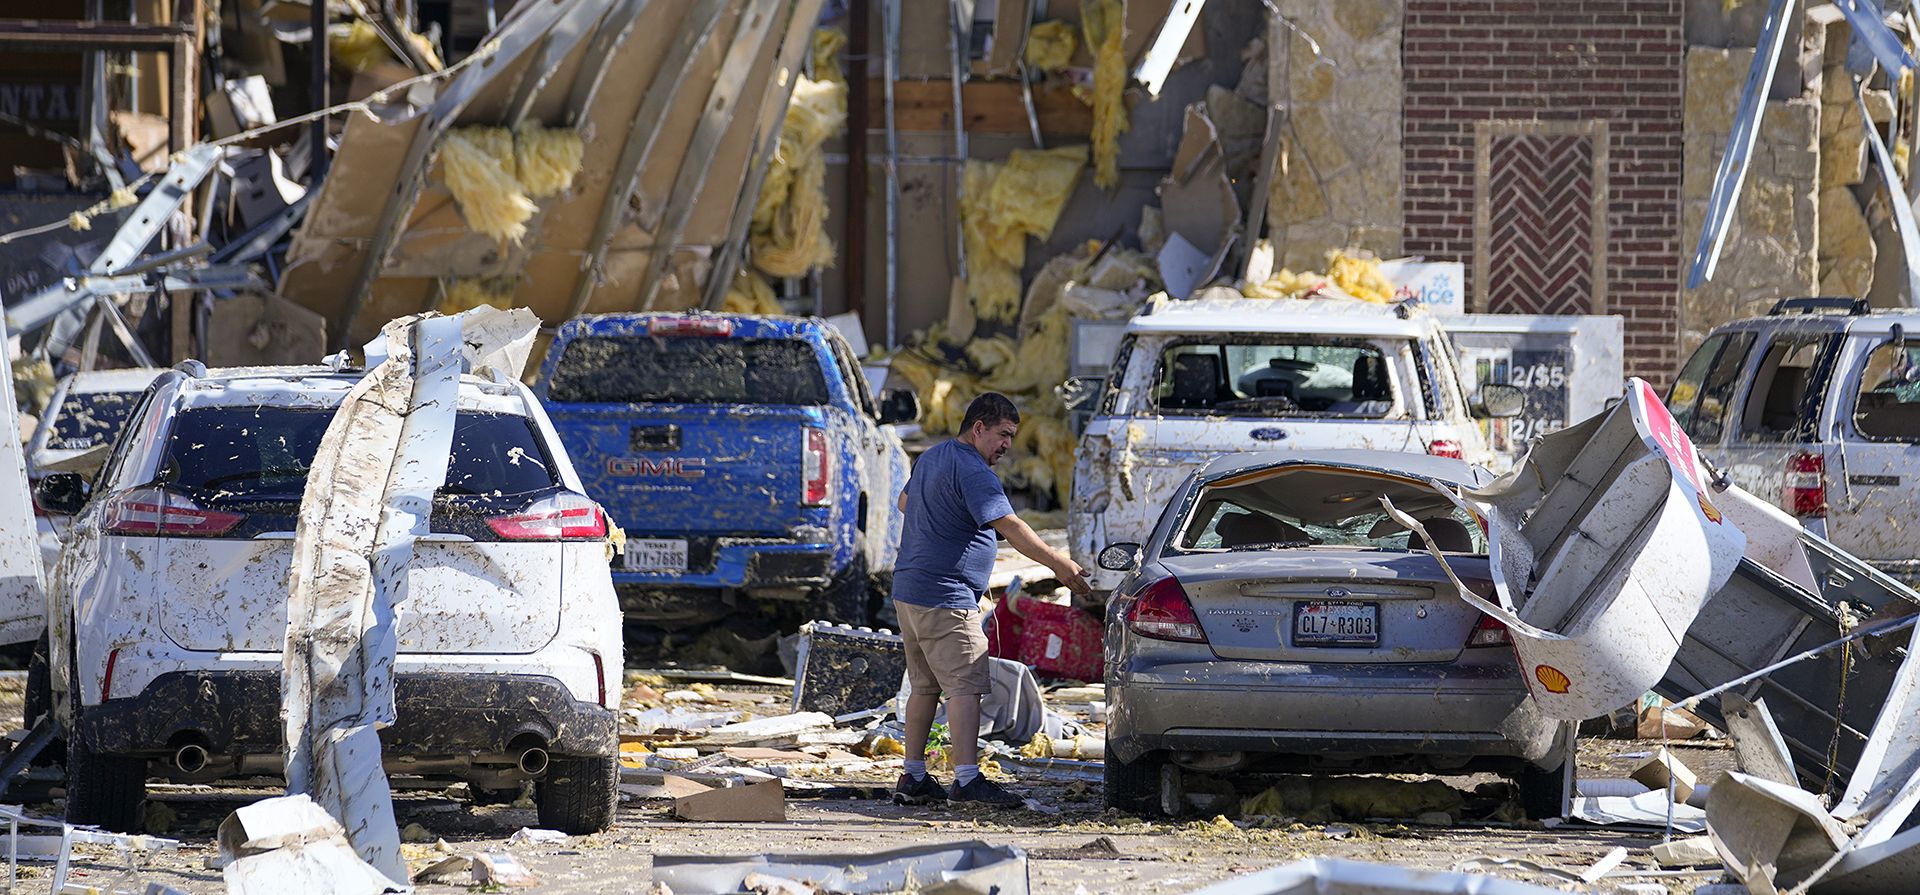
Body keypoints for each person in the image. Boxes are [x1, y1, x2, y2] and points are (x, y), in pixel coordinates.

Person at [889, 393, 1090, 807]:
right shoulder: (974, 470)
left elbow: (905, 502)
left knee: (924, 688)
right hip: (946, 597)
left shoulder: (933, 456)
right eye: (1003, 434)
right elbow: (1010, 524)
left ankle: (912, 776)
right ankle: (965, 780)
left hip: (909, 592)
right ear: (978, 427)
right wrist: (1060, 565)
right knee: (965, 686)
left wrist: (945, 518)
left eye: (1012, 437)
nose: (1007, 445)